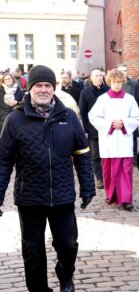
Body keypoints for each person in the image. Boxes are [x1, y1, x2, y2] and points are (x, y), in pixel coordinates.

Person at [0, 65, 95, 292]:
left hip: (62, 196)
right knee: (33, 251)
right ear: (30, 88)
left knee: (68, 245)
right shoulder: (15, 120)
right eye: (38, 85)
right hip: (30, 198)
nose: (43, 89)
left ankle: (65, 275)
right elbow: (4, 161)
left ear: (54, 88)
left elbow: (82, 154)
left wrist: (88, 187)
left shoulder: (69, 117)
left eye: (48, 85)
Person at [88, 69, 139, 211]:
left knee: (126, 170)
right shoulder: (102, 99)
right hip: (109, 141)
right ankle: (111, 195)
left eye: (119, 82)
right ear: (109, 82)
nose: (117, 85)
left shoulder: (129, 99)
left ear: (123, 82)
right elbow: (93, 117)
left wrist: (124, 123)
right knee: (109, 171)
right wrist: (110, 124)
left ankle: (126, 199)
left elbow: (137, 118)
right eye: (114, 82)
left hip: (124, 140)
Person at [79, 68, 110, 189]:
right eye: (97, 76)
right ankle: (99, 178)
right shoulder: (85, 93)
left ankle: (108, 176)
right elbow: (83, 113)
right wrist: (85, 130)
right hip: (93, 130)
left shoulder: (108, 90)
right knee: (95, 155)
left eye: (101, 76)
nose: (100, 78)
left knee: (107, 154)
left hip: (107, 128)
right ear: (91, 78)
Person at [117, 64, 139, 165]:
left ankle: (134, 156)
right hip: (118, 115)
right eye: (121, 71)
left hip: (131, 115)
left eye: (125, 70)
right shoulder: (115, 84)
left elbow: (138, 100)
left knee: (133, 136)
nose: (123, 72)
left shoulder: (134, 84)